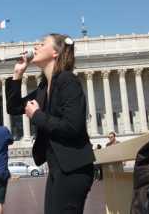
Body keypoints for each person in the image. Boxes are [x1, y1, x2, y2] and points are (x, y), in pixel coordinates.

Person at [6, 33, 95, 214]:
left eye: (42, 43)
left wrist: (37, 115)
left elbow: (73, 126)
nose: (36, 47)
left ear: (56, 52)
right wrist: (17, 74)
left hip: (73, 167)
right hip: (58, 167)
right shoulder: (43, 89)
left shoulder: (68, 81)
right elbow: (14, 107)